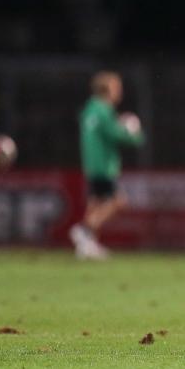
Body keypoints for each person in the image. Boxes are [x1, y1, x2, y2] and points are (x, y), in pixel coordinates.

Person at [69, 71, 144, 259]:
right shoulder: (103, 110)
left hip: (91, 164)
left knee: (95, 204)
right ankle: (82, 230)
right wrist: (134, 134)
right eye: (116, 87)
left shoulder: (90, 109)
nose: (119, 91)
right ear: (107, 89)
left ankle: (87, 245)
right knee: (117, 201)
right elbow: (115, 134)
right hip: (103, 165)